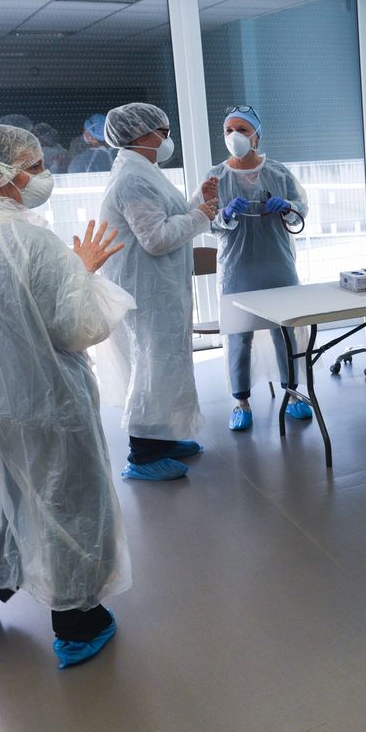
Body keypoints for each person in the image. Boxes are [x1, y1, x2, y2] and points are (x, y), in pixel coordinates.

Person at [0, 124, 134, 668]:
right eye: (35, 166)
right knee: (66, 498)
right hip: (48, 399)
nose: (44, 174)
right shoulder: (32, 242)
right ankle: (77, 623)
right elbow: (78, 327)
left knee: (2, 487)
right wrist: (84, 272)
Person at [96, 102, 220, 481]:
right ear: (143, 134)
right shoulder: (133, 178)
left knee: (165, 364)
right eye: (163, 133)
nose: (168, 140)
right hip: (145, 292)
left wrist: (198, 202)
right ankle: (144, 455)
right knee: (151, 366)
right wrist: (201, 215)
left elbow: (166, 216)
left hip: (158, 288)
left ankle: (163, 439)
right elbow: (156, 238)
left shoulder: (144, 170)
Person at [193, 106, 311, 431]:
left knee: (284, 331)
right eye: (229, 130)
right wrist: (225, 215)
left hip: (277, 264)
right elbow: (203, 219)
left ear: (257, 136)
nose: (235, 136)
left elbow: (301, 209)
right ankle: (240, 401)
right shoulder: (215, 176)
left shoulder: (278, 172)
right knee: (238, 335)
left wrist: (288, 207)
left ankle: (293, 393)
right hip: (237, 268)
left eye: (242, 130)